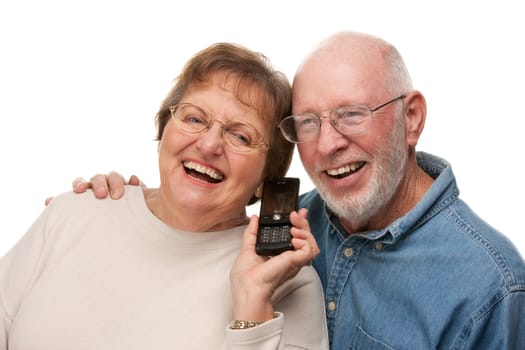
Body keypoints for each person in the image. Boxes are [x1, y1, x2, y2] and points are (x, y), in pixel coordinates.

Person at [76, 31, 525, 349]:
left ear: (412, 119)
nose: (328, 145)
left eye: (351, 114)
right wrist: (133, 210)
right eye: (308, 122)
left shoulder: (492, 286)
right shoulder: (289, 223)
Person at [0, 43, 330, 349]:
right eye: (195, 119)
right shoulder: (73, 212)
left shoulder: (288, 281)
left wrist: (253, 302)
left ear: (266, 178)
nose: (209, 144)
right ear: (163, 130)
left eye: (241, 137)